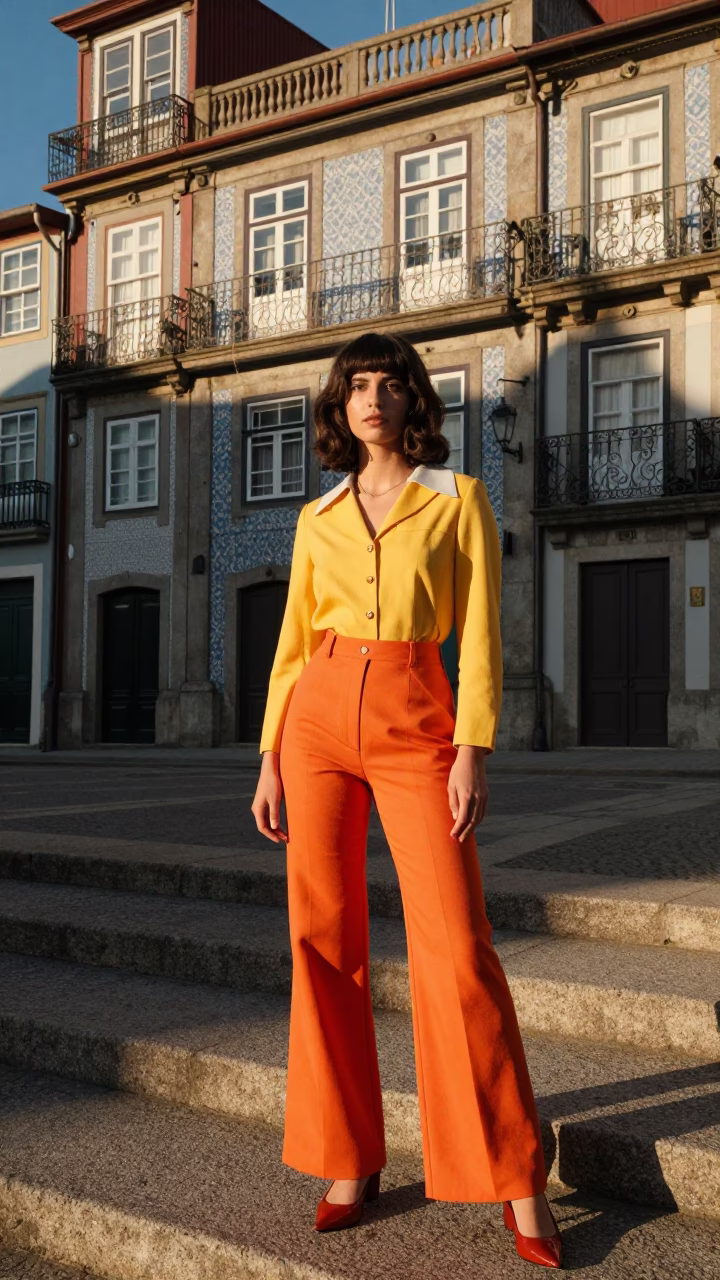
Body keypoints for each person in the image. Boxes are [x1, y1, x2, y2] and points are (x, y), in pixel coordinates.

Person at [251, 331, 562, 1269]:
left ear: (413, 401)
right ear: (339, 406)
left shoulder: (456, 501)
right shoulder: (317, 517)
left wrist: (472, 748)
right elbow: (294, 642)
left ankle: (515, 1171)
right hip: (315, 723)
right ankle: (348, 1157)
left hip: (416, 715)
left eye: (389, 385)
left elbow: (480, 637)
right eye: (357, 386)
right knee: (322, 937)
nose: (372, 399)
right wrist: (269, 752)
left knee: (456, 944)